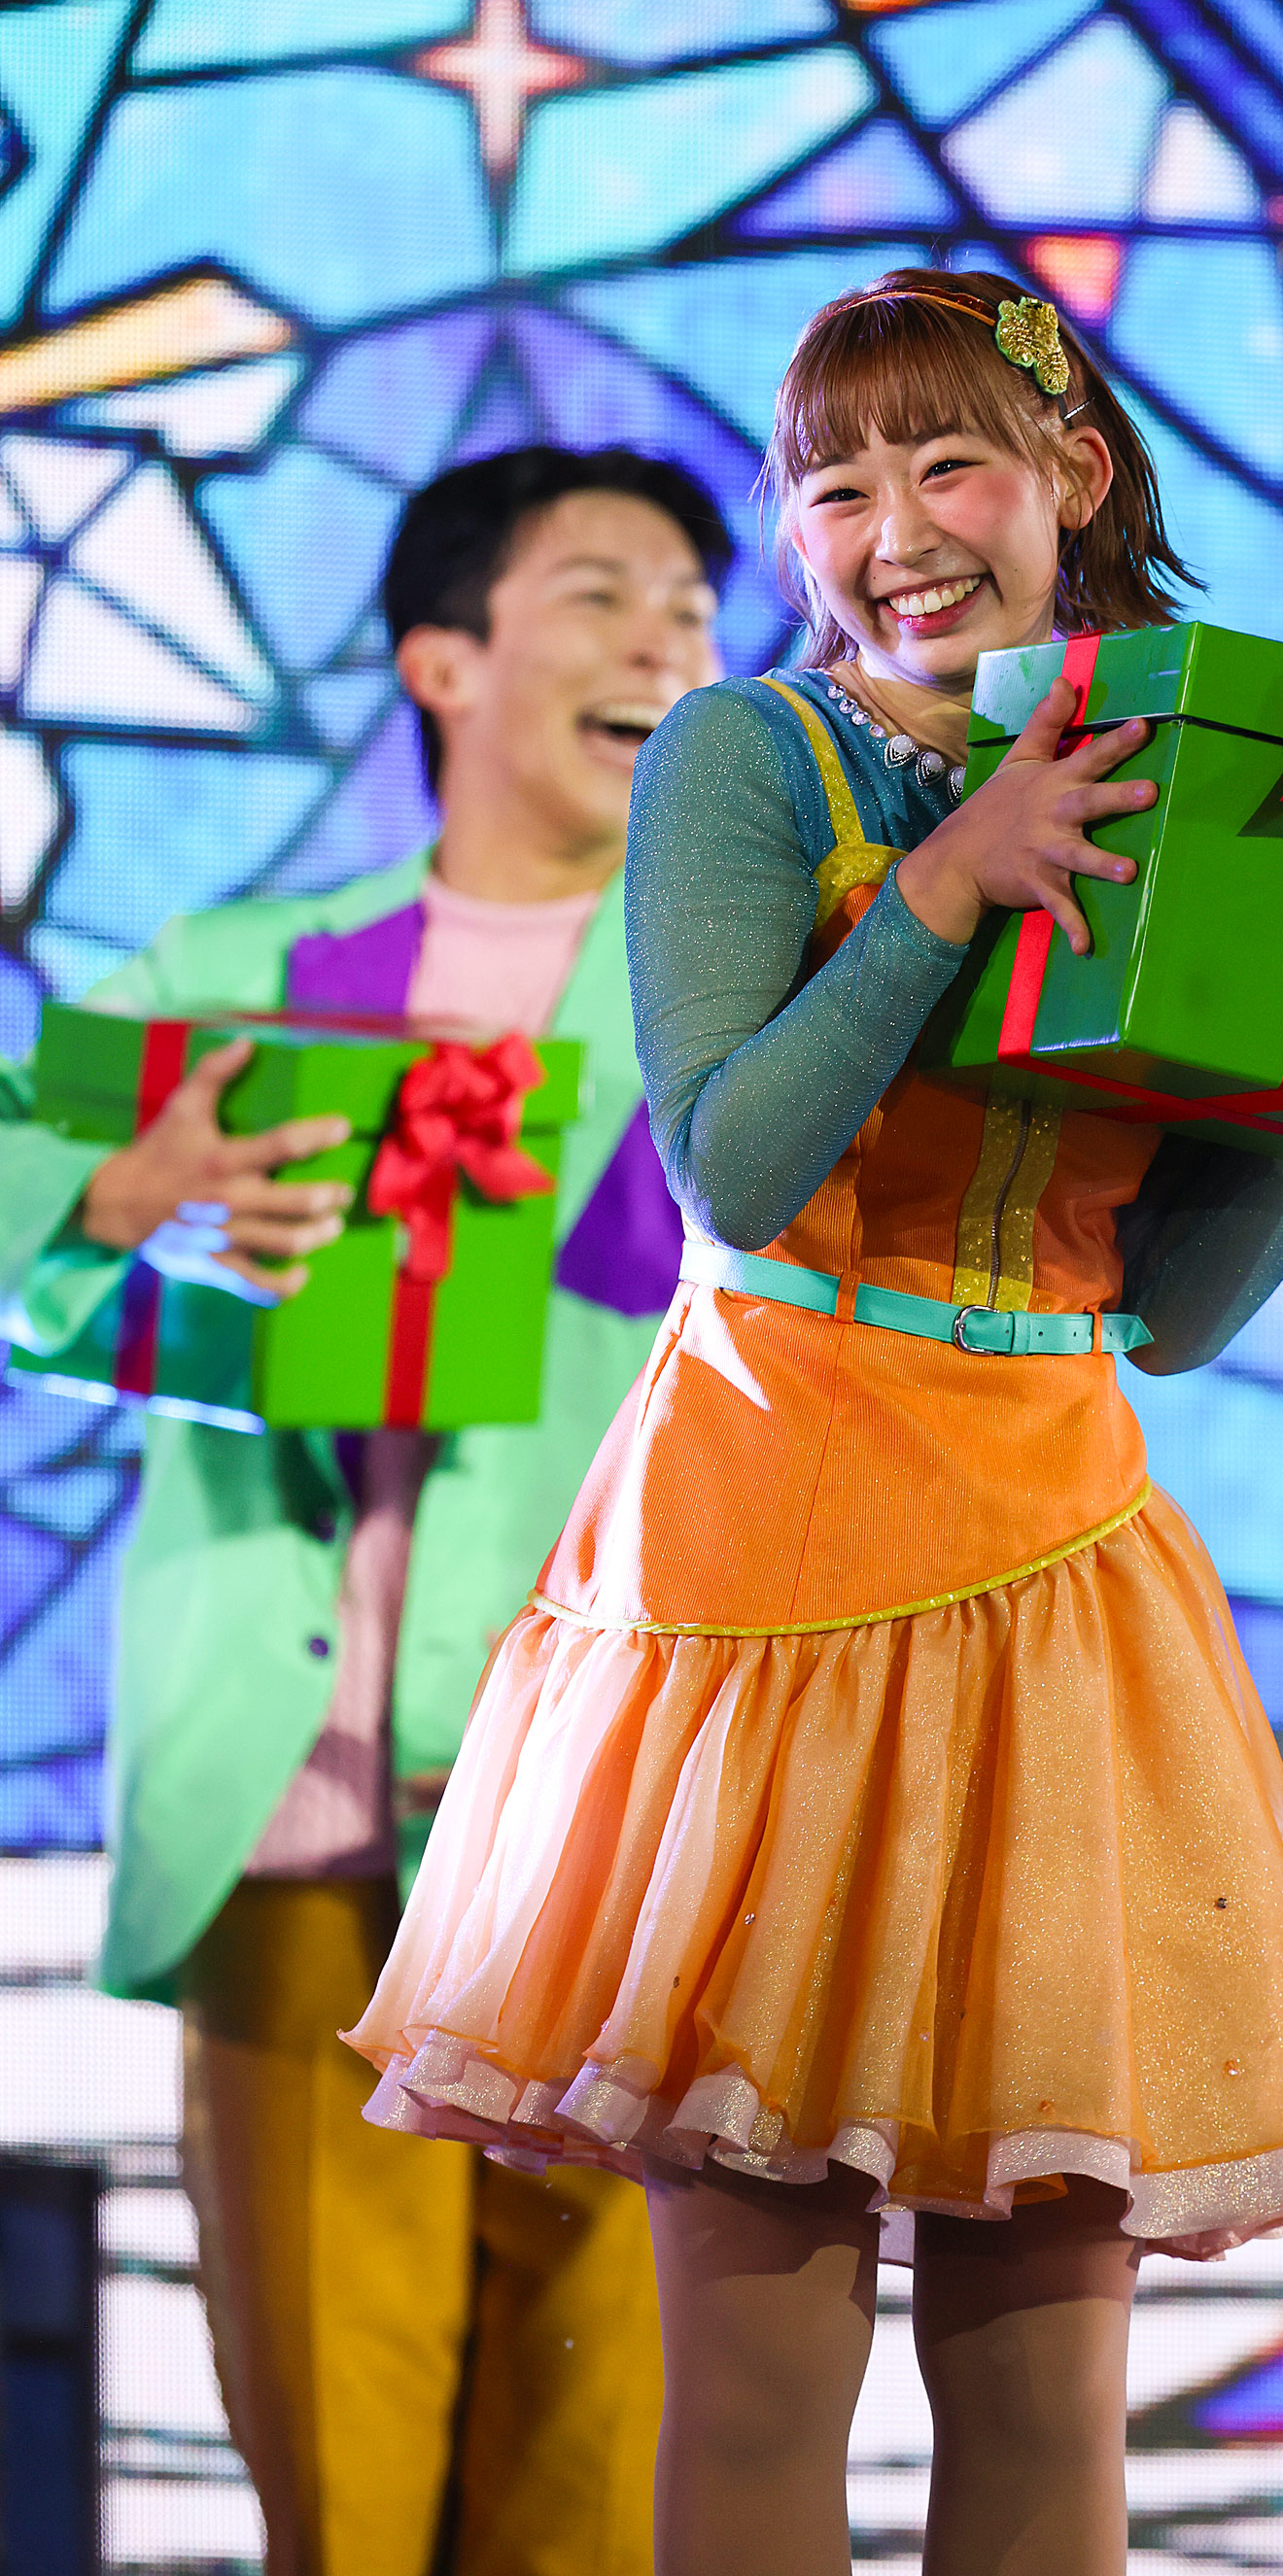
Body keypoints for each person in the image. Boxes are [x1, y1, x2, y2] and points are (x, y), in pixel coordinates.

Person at [345, 280, 1283, 2576]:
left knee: (1046, 2398)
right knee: (764, 2384)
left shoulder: (1189, 765)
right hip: (776, 1572)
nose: (894, 528)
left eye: (948, 465)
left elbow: (1179, 1315)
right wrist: (947, 879)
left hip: (1061, 1596)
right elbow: (734, 1169)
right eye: (834, 484)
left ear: (1073, 480)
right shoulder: (754, 757)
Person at [0, 444, 728, 2576]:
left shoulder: (746, 995)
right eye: (603, 593)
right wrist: (114, 1203)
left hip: (610, 1818)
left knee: (597, 2476)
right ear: (443, 660)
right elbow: (28, 1211)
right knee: (337, 2463)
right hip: (296, 1806)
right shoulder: (233, 974)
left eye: (695, 610)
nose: (667, 643)